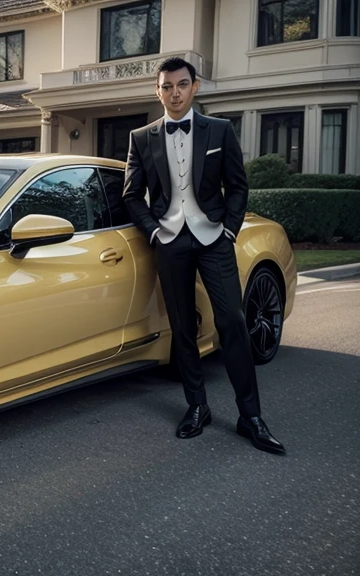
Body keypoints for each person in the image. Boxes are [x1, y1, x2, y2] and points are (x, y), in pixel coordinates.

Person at [121, 56, 285, 454]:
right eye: (166, 86)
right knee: (183, 329)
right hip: (171, 240)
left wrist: (229, 229)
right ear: (156, 91)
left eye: (181, 85)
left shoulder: (220, 130)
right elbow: (130, 194)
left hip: (213, 238)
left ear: (194, 87)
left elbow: (238, 185)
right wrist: (154, 232)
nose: (174, 93)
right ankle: (197, 406)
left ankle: (251, 417)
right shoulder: (141, 137)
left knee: (232, 321)